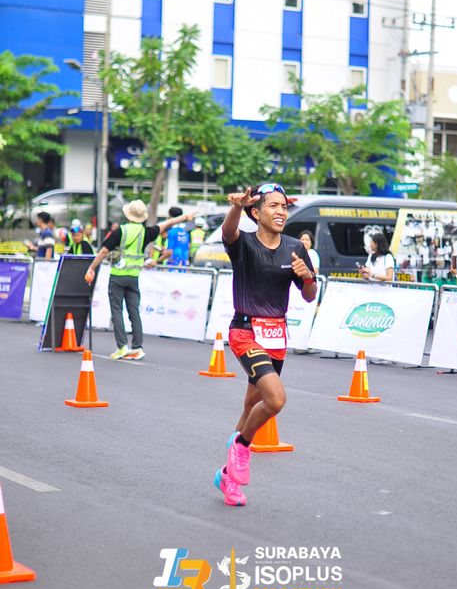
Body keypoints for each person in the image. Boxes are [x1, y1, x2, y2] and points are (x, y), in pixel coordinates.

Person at [213, 183, 317, 507]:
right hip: (245, 331)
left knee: (251, 406)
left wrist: (307, 277)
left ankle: (227, 478)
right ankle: (242, 446)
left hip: (276, 335)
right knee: (275, 400)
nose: (281, 211)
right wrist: (236, 206)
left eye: (284, 206)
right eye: (273, 206)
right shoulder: (243, 243)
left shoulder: (295, 248)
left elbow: (309, 295)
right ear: (256, 213)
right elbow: (228, 232)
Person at [84, 200, 193, 360]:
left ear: (128, 215)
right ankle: (137, 347)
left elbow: (103, 251)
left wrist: (92, 268)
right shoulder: (146, 232)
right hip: (134, 277)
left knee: (117, 311)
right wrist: (185, 217)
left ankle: (122, 346)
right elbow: (167, 223)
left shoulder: (120, 231)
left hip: (118, 276)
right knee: (134, 312)